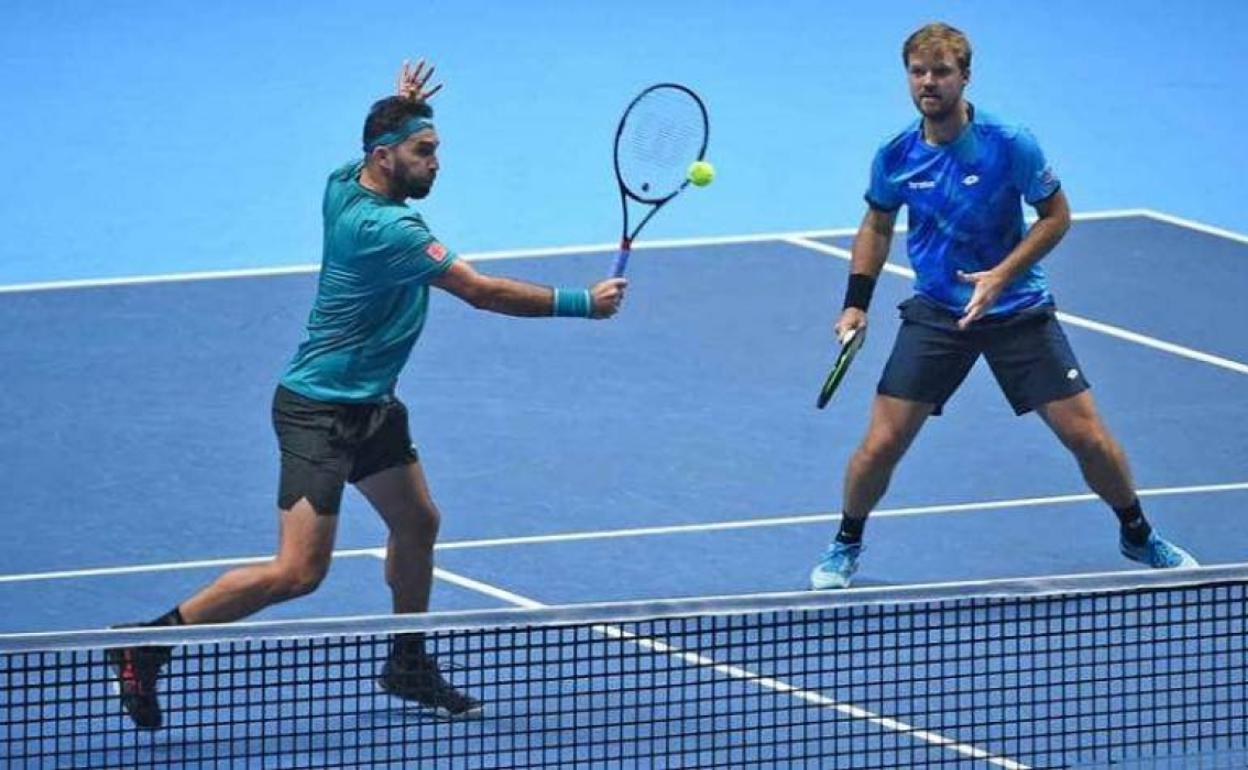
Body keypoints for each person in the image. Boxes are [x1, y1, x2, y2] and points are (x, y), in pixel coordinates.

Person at [107, 60, 627, 726]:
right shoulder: (390, 232)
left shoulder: (342, 184)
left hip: (372, 403)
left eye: (437, 149)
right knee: (298, 573)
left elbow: (372, 149)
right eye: (424, 150)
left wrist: (399, 106)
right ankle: (146, 645)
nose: (438, 164)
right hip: (318, 413)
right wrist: (584, 301)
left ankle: (406, 660)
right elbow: (480, 291)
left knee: (418, 522)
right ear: (385, 157)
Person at [809, 23, 1197, 590]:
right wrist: (855, 305)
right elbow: (877, 222)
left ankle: (1138, 534)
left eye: (941, 72)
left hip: (1017, 308)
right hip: (939, 312)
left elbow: (1057, 216)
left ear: (965, 77)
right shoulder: (895, 156)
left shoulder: (1009, 141)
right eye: (918, 72)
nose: (929, 83)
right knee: (883, 443)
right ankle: (845, 543)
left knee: (1087, 438)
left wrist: (1001, 275)